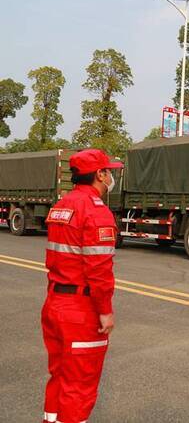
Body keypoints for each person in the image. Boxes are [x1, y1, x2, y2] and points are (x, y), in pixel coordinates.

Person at [41, 149, 122, 423]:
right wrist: (105, 311)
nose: (111, 176)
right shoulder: (96, 211)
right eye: (109, 171)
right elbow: (99, 271)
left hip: (55, 303)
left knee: (60, 377)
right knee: (80, 386)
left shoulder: (62, 205)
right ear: (99, 174)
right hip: (81, 310)